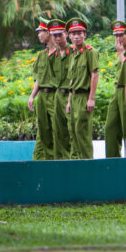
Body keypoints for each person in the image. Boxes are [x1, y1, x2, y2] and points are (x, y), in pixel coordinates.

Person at [65, 17, 99, 159]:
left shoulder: (91, 52)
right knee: (73, 132)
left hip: (84, 96)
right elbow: (72, 80)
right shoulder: (73, 53)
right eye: (73, 34)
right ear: (69, 36)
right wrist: (68, 101)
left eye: (79, 33)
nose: (76, 36)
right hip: (73, 97)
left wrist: (91, 98)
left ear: (85, 35)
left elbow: (94, 74)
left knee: (82, 132)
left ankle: (87, 163)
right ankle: (76, 163)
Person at [29, 20, 57, 160]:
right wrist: (32, 96)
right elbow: (39, 78)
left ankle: (55, 159)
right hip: (42, 97)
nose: (39, 35)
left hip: (55, 95)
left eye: (41, 32)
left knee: (57, 129)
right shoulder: (41, 55)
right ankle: (39, 159)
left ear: (48, 32)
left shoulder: (60, 53)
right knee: (42, 129)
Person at [104, 20, 126, 157]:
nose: (119, 39)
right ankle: (112, 161)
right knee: (110, 128)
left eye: (121, 35)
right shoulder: (122, 51)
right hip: (117, 91)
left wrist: (121, 54)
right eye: (116, 36)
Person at [48, 19, 72, 159]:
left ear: (66, 34)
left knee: (71, 130)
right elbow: (52, 76)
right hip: (58, 94)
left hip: (70, 95)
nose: (57, 38)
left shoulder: (73, 52)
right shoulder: (53, 56)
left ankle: (72, 159)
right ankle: (60, 161)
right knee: (58, 131)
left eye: (60, 35)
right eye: (54, 35)